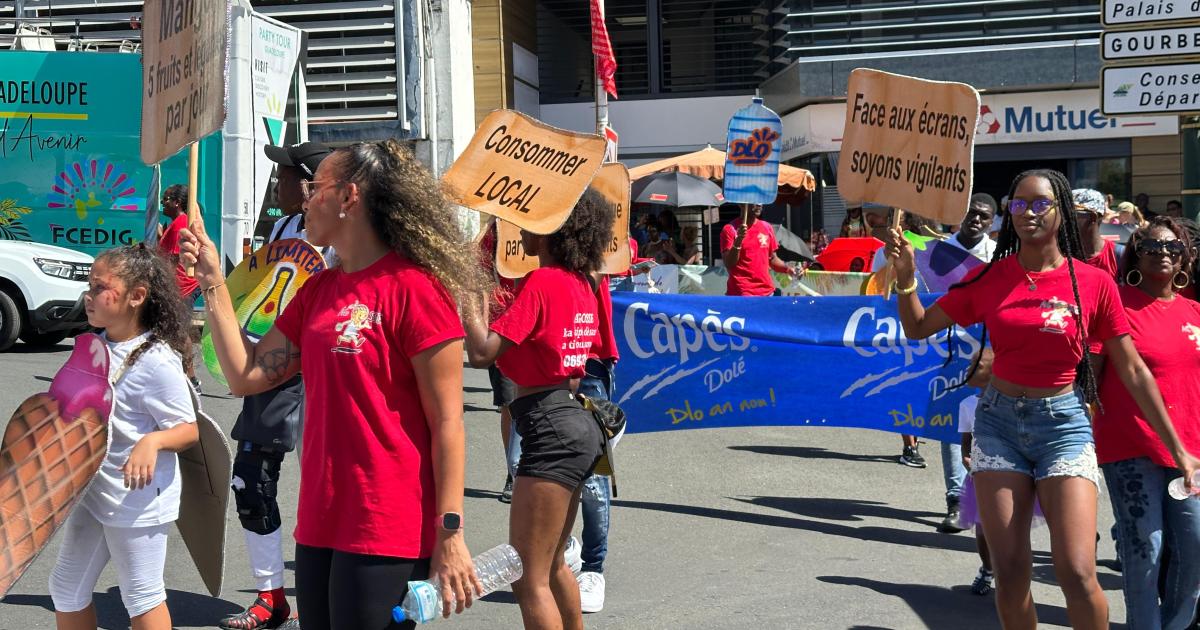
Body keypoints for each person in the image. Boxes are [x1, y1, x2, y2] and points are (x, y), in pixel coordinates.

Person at [180, 140, 485, 630]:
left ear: (349, 197)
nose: (305, 200)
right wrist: (214, 281)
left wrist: (450, 531)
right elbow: (246, 374)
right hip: (321, 517)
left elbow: (448, 422)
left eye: (314, 187)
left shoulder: (416, 289)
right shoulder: (320, 288)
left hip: (386, 523)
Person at [885, 168, 1198, 629]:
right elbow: (916, 327)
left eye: (1040, 204)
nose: (1027, 213)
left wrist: (1180, 452)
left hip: (1065, 426)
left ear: (1061, 212)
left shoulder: (1093, 284)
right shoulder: (992, 278)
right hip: (999, 426)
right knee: (1011, 573)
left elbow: (1132, 369)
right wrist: (906, 277)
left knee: (1076, 570)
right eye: (1018, 204)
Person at [462, 189, 614, 630]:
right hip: (573, 421)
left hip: (550, 429)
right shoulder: (583, 282)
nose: (522, 230)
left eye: (531, 221)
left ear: (552, 229)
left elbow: (482, 352)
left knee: (526, 575)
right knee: (552, 566)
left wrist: (469, 294)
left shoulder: (543, 282)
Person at [50, 244, 199, 630]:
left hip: (137, 500)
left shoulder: (156, 360)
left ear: (136, 297)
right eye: (89, 285)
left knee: (142, 595)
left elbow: (189, 428)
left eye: (101, 287)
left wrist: (152, 442)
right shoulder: (95, 346)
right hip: (92, 489)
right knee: (66, 587)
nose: (89, 295)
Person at [219, 141, 333, 630]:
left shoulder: (344, 238)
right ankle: (272, 596)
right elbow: (260, 296)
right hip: (274, 367)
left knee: (327, 489)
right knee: (251, 480)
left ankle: (327, 593)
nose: (276, 183)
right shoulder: (285, 228)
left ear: (308, 185)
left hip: (322, 374)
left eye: (284, 175)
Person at [1095, 216, 1200, 630]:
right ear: (1136, 253)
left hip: (1190, 452)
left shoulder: (1195, 311)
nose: (1162, 255)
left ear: (1184, 258)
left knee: (1193, 549)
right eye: (1152, 247)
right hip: (1130, 446)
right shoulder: (1115, 305)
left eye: (1172, 248)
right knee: (1146, 550)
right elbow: (1091, 375)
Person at [935, 193, 998, 531]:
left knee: (980, 427)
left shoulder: (999, 256)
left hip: (987, 353)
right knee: (951, 424)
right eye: (972, 214)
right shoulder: (937, 252)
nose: (976, 221)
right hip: (944, 350)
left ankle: (983, 503)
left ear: (992, 222)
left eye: (984, 217)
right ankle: (956, 501)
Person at [156, 184, 202, 390]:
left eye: (165, 199)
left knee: (178, 331)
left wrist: (165, 287)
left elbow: (174, 259)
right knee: (171, 330)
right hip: (178, 285)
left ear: (176, 202)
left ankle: (191, 379)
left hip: (181, 286)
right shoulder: (174, 223)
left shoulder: (181, 223)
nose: (162, 203)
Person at [720, 205, 801, 296]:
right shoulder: (730, 229)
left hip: (768, 293)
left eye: (761, 201)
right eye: (754, 200)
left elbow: (772, 259)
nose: (759, 204)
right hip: (741, 294)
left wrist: (789, 269)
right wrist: (739, 240)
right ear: (741, 204)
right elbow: (729, 263)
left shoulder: (767, 227)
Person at [1074, 188, 1121, 281]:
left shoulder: (1119, 257)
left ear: (1092, 217)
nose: (1063, 220)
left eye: (1071, 215)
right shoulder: (1060, 256)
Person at [945, 194, 998, 262]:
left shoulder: (997, 255)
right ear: (962, 213)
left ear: (991, 223)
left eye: (984, 216)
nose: (976, 219)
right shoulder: (940, 248)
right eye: (972, 212)